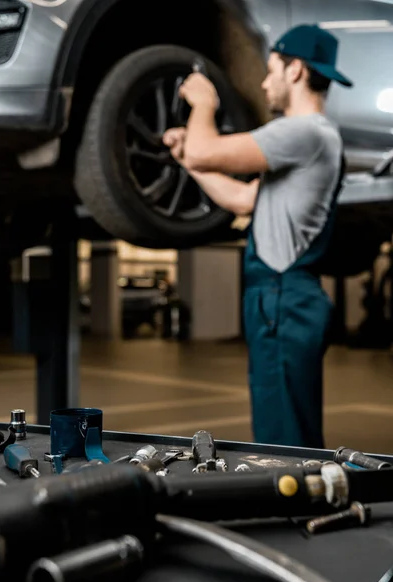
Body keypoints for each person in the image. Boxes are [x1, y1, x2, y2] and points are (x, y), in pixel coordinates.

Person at [163, 24, 353, 448]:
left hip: (283, 299)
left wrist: (203, 104)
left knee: (283, 441)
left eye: (271, 71)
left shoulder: (303, 132)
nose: (265, 83)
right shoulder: (311, 140)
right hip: (281, 301)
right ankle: (302, 505)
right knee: (284, 429)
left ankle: (299, 510)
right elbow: (245, 199)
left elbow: (204, 148)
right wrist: (189, 160)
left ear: (297, 70)